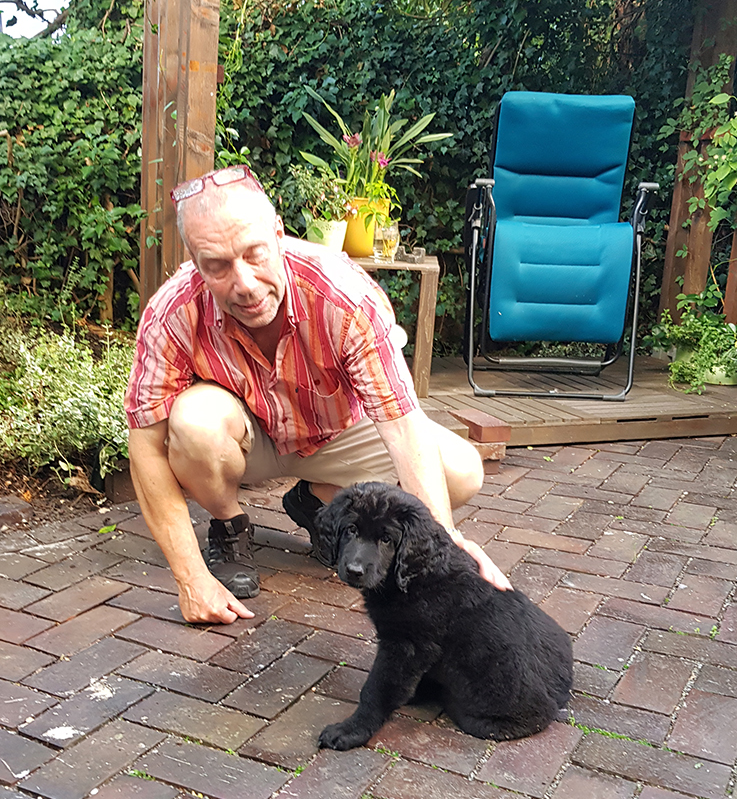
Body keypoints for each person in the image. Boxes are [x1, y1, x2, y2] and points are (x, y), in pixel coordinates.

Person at [125, 164, 511, 625]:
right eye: (218, 266)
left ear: (278, 234)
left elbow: (403, 426)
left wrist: (443, 549)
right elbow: (146, 447)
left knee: (462, 472)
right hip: (246, 438)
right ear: (194, 262)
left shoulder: (343, 296)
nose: (244, 284)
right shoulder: (172, 311)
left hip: (336, 432)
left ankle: (320, 502)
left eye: (254, 254)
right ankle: (229, 526)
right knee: (192, 425)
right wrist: (190, 577)